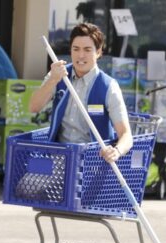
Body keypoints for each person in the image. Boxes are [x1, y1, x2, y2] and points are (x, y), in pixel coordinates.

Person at [30, 23, 131, 163]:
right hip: (57, 158)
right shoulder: (58, 74)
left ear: (99, 52)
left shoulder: (109, 86)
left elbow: (126, 135)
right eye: (76, 49)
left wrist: (116, 151)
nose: (80, 55)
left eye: (87, 49)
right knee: (27, 184)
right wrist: (53, 79)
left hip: (93, 165)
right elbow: (33, 107)